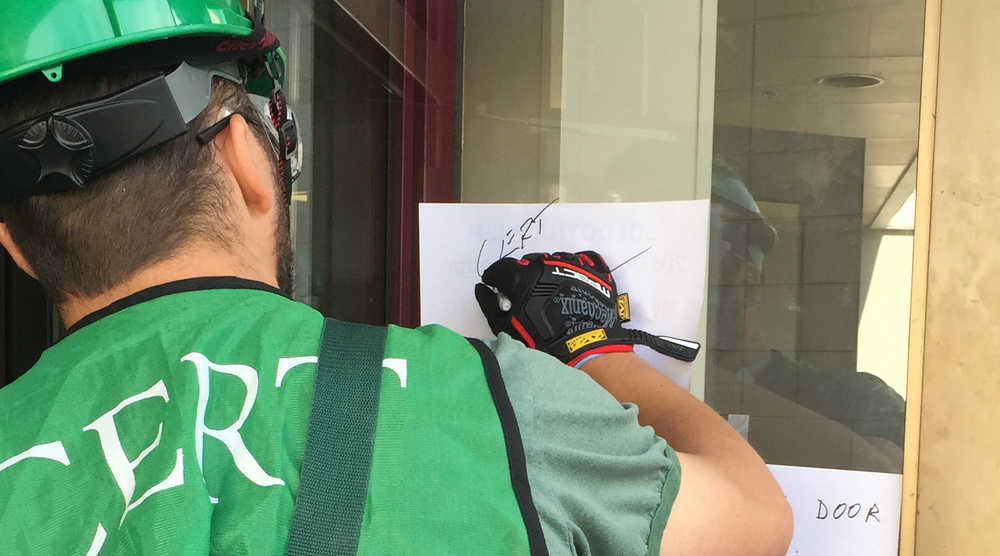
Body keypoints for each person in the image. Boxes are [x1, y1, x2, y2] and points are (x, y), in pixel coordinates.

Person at [0, 2, 791, 554]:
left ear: (17, 247)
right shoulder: (487, 408)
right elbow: (753, 518)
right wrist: (591, 348)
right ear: (248, 163)